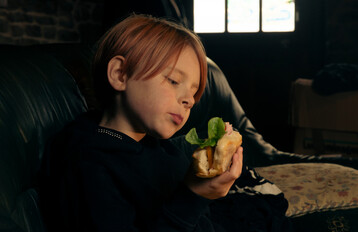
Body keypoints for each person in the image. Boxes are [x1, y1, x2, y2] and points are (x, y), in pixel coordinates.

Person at [38, 13, 244, 232]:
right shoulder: (90, 166)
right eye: (174, 80)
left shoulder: (155, 145)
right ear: (120, 74)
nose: (190, 100)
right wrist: (194, 196)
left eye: (194, 93)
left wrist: (203, 178)